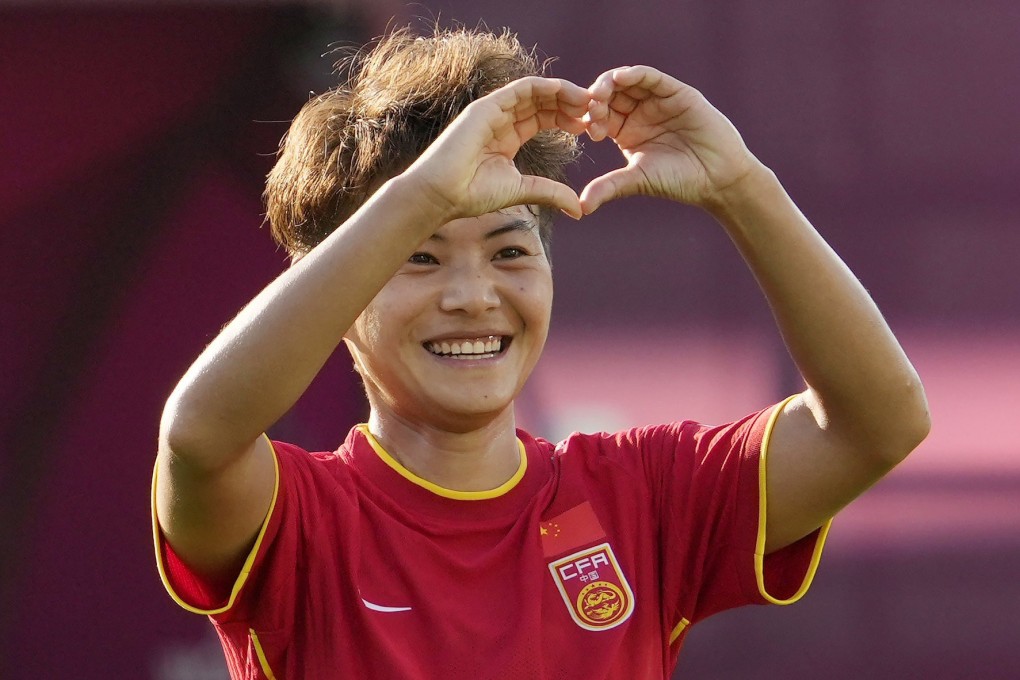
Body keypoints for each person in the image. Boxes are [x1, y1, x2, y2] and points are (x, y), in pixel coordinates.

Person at [152, 23, 930, 680]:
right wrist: (420, 191)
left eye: (510, 252)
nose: (473, 295)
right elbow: (198, 436)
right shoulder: (300, 517)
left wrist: (742, 186)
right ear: (338, 296)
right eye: (419, 257)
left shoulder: (644, 497)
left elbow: (878, 423)